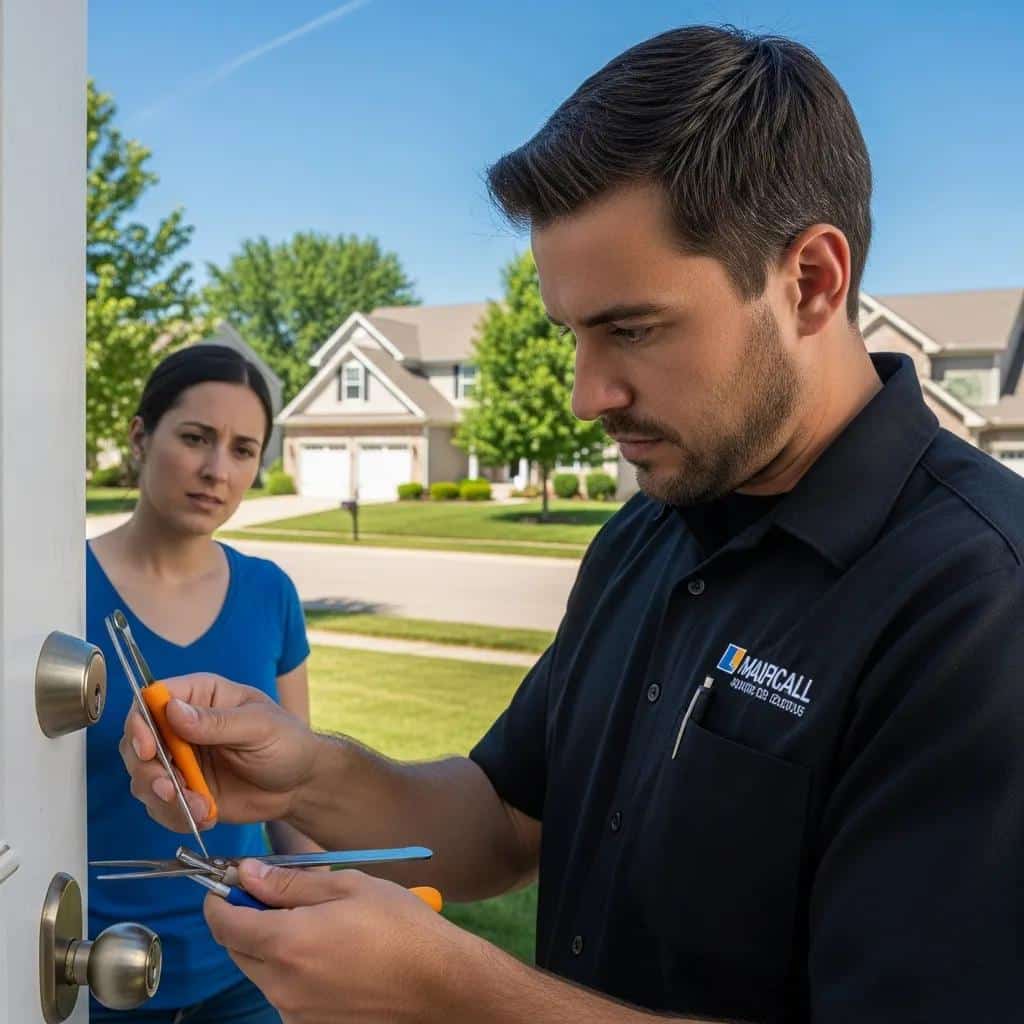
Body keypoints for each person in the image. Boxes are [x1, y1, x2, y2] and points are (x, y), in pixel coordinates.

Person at [119, 26, 1024, 1024]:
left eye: (632, 328)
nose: (588, 394)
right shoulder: (647, 535)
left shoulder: (977, 598)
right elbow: (506, 817)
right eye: (575, 334)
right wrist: (303, 772)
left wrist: (449, 991)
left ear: (809, 281)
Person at [88, 344, 314, 1023]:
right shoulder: (50, 592)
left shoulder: (270, 592)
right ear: (139, 436)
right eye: (195, 438)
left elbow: (293, 796)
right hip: (95, 968)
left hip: (246, 966)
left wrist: (311, 914)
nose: (219, 470)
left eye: (244, 450)